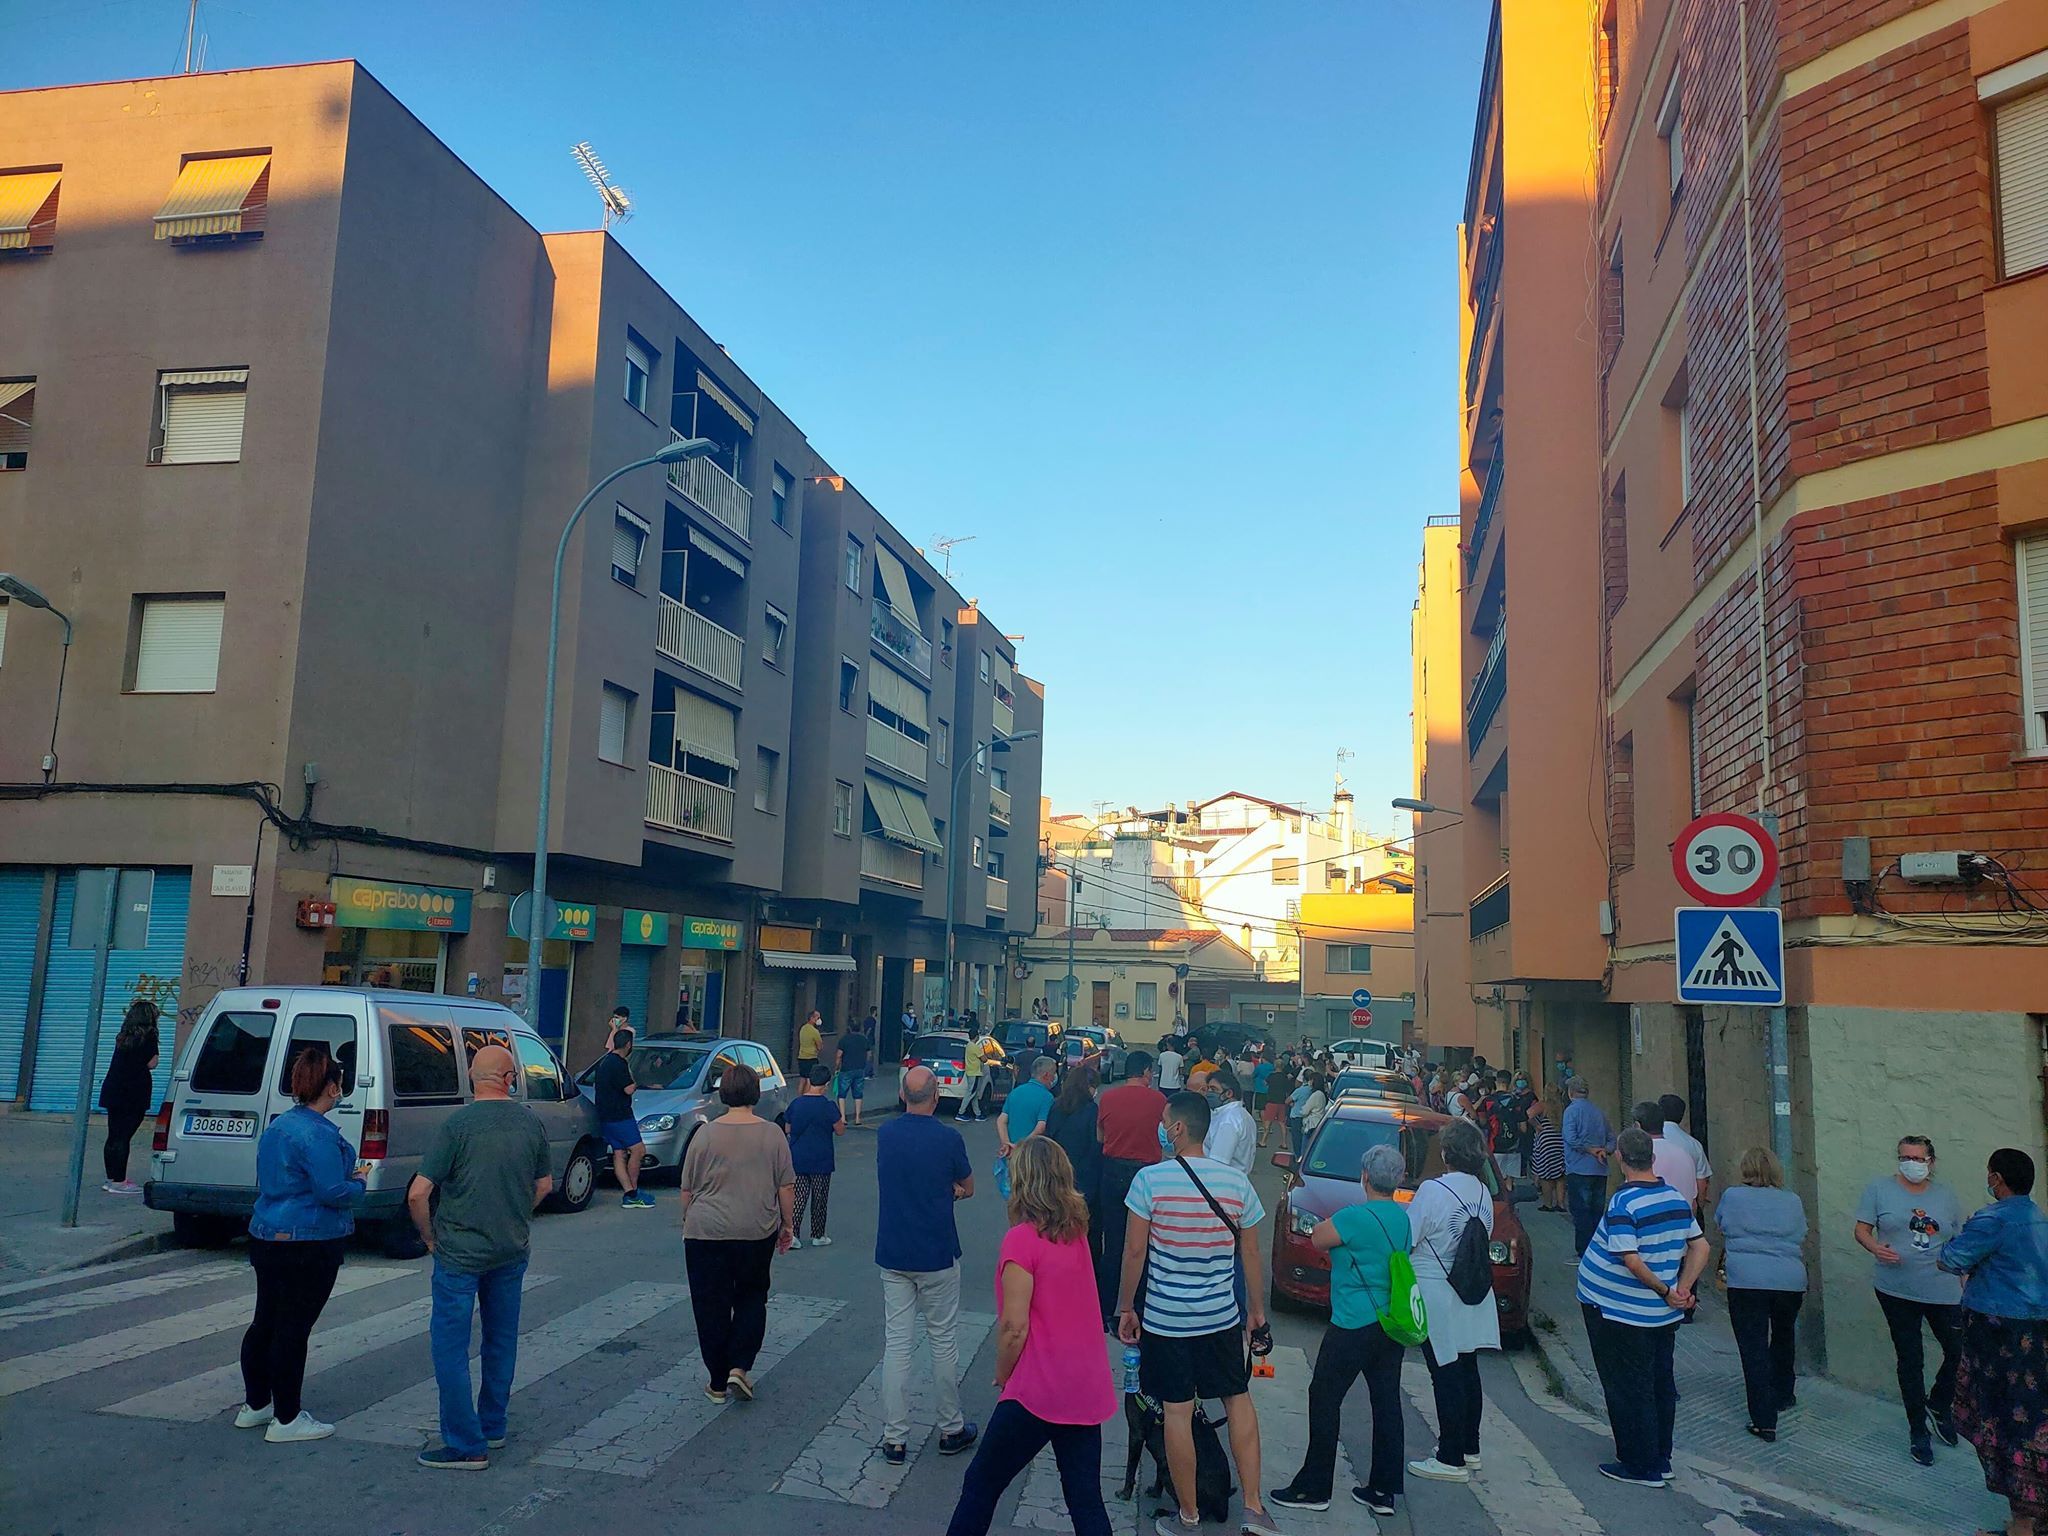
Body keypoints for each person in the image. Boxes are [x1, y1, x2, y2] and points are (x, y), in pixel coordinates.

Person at [1115, 1091, 1281, 1536]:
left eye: (1165, 1121)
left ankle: (1188, 1517)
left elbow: (1134, 1251)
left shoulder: (1150, 1182)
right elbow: (1250, 1253)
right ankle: (1253, 1507)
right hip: (1221, 1317)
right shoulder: (1236, 1184)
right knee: (1237, 1398)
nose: (1162, 1127)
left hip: (1167, 1320)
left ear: (1178, 1129)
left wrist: (1126, 1307)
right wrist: (1256, 1314)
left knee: (1176, 1411)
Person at [946, 1138, 1116, 1536]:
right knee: (1084, 1498)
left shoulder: (1022, 1239)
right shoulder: (1076, 1231)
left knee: (982, 1484)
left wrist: (1003, 1374)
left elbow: (1014, 1327)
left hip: (1039, 1387)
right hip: (1084, 1385)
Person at [408, 1043, 553, 1470]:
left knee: (450, 1348)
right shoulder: (530, 1123)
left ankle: (465, 1443)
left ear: (473, 1078)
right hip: (510, 1248)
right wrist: (514, 1213)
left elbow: (419, 1193)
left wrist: (430, 1238)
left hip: (459, 1253)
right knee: (501, 1339)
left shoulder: (456, 1126)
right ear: (510, 1080)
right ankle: (493, 1424)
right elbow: (544, 1185)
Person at [1270, 1141, 1412, 1516]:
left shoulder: (1354, 1217)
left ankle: (1315, 1486)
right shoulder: (1402, 1218)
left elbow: (1318, 1238)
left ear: (1364, 1177)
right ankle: (1383, 1490)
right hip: (1389, 1324)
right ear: (1397, 1180)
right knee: (1385, 1402)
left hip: (1352, 1321)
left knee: (1324, 1396)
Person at [238, 1045, 366, 1444]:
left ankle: (256, 1405)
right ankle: (288, 1418)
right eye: (339, 1083)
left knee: (265, 1323)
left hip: (267, 1232)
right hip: (310, 1240)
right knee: (293, 1329)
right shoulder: (319, 1135)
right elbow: (331, 1191)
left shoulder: (280, 1126)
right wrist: (359, 1182)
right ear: (331, 1087)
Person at [1576, 1126, 1710, 1488]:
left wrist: (1668, 1290)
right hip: (1659, 1314)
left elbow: (1630, 1260)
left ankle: (1639, 1464)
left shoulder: (1624, 1203)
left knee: (1627, 1386)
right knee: (1659, 1383)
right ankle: (1659, 1456)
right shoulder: (1675, 1198)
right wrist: (1682, 1290)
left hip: (1620, 1311)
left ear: (1620, 1158)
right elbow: (1701, 1248)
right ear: (1652, 1158)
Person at [1942, 1149, 2048, 1536]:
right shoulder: (2039, 1218)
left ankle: (2022, 1527)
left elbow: (1952, 1259)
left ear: (1997, 1178)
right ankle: (2031, 1522)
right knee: (2035, 1423)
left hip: (1998, 1334)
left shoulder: (1992, 1219)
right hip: (2036, 1335)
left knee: (2005, 1425)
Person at [876, 1067, 979, 1462]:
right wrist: (949, 1190)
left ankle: (895, 1437)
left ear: (903, 1096)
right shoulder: (948, 1138)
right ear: (936, 1096)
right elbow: (967, 1187)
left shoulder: (886, 1134)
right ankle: (950, 1427)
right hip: (936, 1252)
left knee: (897, 1344)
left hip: (894, 1251)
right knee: (942, 1341)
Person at [679, 1061, 795, 1405]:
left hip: (705, 1231)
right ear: (755, 1094)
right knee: (751, 1296)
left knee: (709, 1304)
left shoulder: (705, 1134)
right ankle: (740, 1366)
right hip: (754, 1230)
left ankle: (716, 1381)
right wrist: (787, 1226)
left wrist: (688, 1221)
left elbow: (687, 1189)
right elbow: (786, 1186)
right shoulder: (772, 1134)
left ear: (723, 1093)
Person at [1856, 1133, 1964, 1465]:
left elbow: (1959, 1239)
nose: (1911, 1165)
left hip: (1943, 1287)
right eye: (1905, 1158)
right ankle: (1918, 1431)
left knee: (1960, 1350)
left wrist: (1965, 1278)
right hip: (1896, 1287)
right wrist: (1876, 1248)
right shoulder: (1879, 1188)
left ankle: (1939, 1403)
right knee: (1910, 1358)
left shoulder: (1946, 1194)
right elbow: (1862, 1229)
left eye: (1918, 1159)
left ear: (1931, 1161)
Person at [1405, 1117, 1500, 1483]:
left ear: (1445, 1153)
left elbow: (1411, 1235)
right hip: (1472, 1292)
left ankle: (1450, 1457)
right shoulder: (1482, 1192)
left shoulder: (1433, 1190)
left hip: (1437, 1290)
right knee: (1467, 1368)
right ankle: (1469, 1447)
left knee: (1444, 1373)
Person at [1714, 1146, 1808, 1441]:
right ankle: (1783, 1392)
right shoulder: (1792, 1200)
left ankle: (1764, 1419)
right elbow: (1802, 1232)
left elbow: (1722, 1225)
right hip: (1790, 1278)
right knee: (1783, 1336)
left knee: (1753, 1347)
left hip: (1747, 1279)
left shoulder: (1733, 1196)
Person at [1094, 1050, 1165, 1325]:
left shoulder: (1108, 1097)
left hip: (1112, 1170)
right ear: (1146, 1071)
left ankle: (1105, 1310)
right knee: (1142, 1243)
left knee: (1113, 1244)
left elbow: (1101, 1137)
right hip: (1146, 1174)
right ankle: (1138, 1307)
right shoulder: (1159, 1100)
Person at [98, 998, 160, 1194]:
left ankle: (111, 1179)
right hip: (134, 1090)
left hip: (114, 1088)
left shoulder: (123, 1036)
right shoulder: (149, 1035)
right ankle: (120, 1181)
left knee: (114, 1135)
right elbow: (152, 1063)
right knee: (124, 1136)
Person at [593, 1027, 652, 1210]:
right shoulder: (619, 1063)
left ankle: (628, 1193)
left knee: (619, 1153)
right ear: (628, 1044)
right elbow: (628, 1088)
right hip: (620, 1116)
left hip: (605, 1116)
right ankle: (633, 1190)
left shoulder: (604, 1062)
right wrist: (635, 1083)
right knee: (638, 1150)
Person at [786, 1064, 844, 1247]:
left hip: (798, 1157)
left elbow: (788, 1128)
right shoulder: (828, 1106)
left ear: (810, 1081)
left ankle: (793, 1234)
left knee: (799, 1196)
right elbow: (840, 1130)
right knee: (819, 1197)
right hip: (821, 1157)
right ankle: (818, 1235)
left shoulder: (796, 1104)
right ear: (826, 1085)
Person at [1563, 1078, 1616, 1259]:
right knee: (1596, 1212)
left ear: (1571, 1092)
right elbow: (1612, 1139)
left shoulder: (1571, 1112)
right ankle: (1598, 1249)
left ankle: (1584, 1252)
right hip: (1600, 1170)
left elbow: (1570, 1138)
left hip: (1578, 1169)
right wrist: (1604, 1151)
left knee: (1581, 1212)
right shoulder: (1599, 1112)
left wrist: (1590, 1149)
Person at [1632, 1099, 1698, 1208]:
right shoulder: (1685, 1155)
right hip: (1684, 1221)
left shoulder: (1641, 1156)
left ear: (1637, 1126)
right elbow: (1693, 1201)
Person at [1659, 1094, 1713, 1212]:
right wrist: (1700, 1207)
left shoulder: (1649, 1141)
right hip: (1686, 1209)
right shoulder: (1694, 1144)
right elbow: (1702, 1182)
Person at [998, 1056, 1057, 1157]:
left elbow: (1001, 1120)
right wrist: (1021, 1146)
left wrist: (1007, 1144)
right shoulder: (1047, 1097)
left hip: (1010, 1153)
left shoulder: (1015, 1092)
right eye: (1054, 1073)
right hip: (1031, 1154)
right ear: (1046, 1075)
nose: (1055, 1076)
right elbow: (1041, 1127)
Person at [1202, 1066, 1257, 1175]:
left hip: (1223, 1181)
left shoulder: (1228, 1120)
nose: (1208, 1093)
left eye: (1214, 1089)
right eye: (1208, 1088)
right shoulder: (1242, 1114)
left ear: (1229, 1093)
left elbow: (1217, 1163)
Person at [1530, 1086, 1567, 1211]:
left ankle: (1548, 1203)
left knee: (1545, 1175)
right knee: (1560, 1174)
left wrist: (1537, 1125)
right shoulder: (1562, 1106)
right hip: (1560, 1139)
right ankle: (1561, 1204)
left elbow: (1528, 1114)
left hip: (1546, 1140)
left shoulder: (1543, 1105)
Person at [1497, 1073, 1535, 1181]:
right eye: (1518, 1080)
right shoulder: (1512, 1097)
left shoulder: (1530, 1096)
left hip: (1523, 1133)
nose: (1521, 1082)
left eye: (1523, 1079)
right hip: (1512, 1133)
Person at [836, 1018, 873, 1128]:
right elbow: (869, 1054)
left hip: (846, 1069)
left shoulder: (844, 1040)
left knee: (842, 1093)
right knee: (858, 1094)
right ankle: (857, 1118)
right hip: (860, 1069)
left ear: (849, 1028)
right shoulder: (864, 1039)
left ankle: (843, 1117)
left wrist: (837, 1068)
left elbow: (839, 1055)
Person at [1259, 1057, 1292, 1150]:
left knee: (1268, 1122)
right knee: (1282, 1123)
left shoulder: (1271, 1076)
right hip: (1281, 1102)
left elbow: (1265, 1083)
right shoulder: (1285, 1077)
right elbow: (1288, 1089)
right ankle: (1284, 1143)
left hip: (1271, 1101)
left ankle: (1263, 1141)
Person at [962, 1026, 993, 1121]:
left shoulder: (968, 1045)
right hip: (974, 1073)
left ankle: (978, 1114)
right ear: (976, 1036)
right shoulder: (975, 1047)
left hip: (970, 1072)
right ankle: (961, 1112)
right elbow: (984, 1059)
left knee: (974, 1094)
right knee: (970, 1093)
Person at [796, 1010, 824, 1082]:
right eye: (817, 1018)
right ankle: (808, 1093)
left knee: (802, 1079)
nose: (819, 1020)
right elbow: (819, 1046)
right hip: (811, 1058)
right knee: (810, 1080)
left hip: (801, 1057)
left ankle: (801, 1093)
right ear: (812, 1018)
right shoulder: (814, 1031)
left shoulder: (803, 1028)